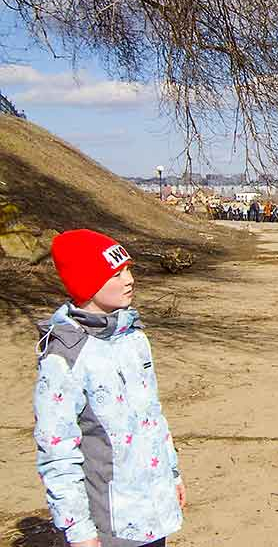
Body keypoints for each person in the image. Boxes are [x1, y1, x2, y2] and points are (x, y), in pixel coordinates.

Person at [33, 229, 185, 547]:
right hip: (111, 521)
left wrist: (172, 475)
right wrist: (78, 529)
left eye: (127, 269)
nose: (129, 279)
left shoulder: (133, 337)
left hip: (154, 508)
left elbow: (152, 415)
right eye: (115, 274)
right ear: (86, 282)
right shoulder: (65, 356)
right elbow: (57, 450)